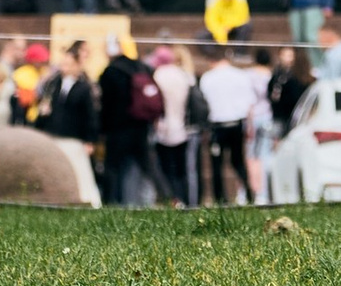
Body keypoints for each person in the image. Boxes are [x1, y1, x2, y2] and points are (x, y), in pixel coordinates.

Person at [98, 45, 160, 206]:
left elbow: (107, 105)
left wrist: (102, 129)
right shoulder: (141, 67)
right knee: (149, 167)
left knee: (112, 167)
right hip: (141, 126)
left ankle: (109, 203)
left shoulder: (111, 71)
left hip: (117, 129)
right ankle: (170, 199)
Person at [201, 44, 258, 201]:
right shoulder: (241, 76)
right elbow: (250, 105)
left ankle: (221, 199)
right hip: (236, 124)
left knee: (217, 165)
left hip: (217, 126)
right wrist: (250, 126)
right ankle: (248, 194)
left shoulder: (207, 78)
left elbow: (204, 105)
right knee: (238, 161)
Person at [149, 43, 197, 204]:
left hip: (163, 129)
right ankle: (185, 201)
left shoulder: (158, 75)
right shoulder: (182, 75)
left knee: (166, 170)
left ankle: (172, 201)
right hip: (182, 128)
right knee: (181, 170)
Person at [42, 44, 99, 148]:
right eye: (63, 64)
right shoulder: (54, 84)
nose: (64, 68)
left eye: (69, 64)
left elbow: (90, 115)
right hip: (52, 134)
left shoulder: (84, 88)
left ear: (77, 65)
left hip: (73, 137)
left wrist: (90, 140)